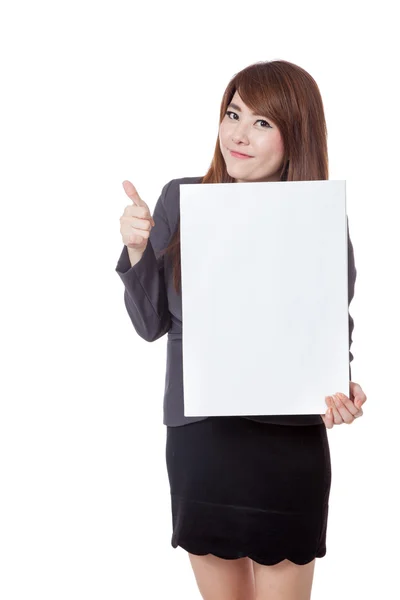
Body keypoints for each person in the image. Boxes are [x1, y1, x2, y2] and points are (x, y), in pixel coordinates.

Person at [115, 59, 367, 600]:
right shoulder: (180, 199)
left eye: (262, 122)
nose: (238, 134)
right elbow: (149, 324)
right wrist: (138, 249)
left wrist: (343, 387)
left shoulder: (319, 218)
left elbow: (329, 333)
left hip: (287, 443)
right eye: (234, 114)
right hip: (202, 441)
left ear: (295, 134)